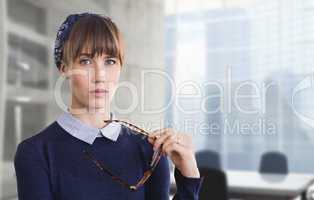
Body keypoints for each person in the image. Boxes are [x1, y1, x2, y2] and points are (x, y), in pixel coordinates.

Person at [14, 12, 203, 200]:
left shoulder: (149, 151)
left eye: (110, 61)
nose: (100, 76)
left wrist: (189, 174)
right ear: (64, 68)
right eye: (86, 61)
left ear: (120, 67)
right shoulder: (36, 153)